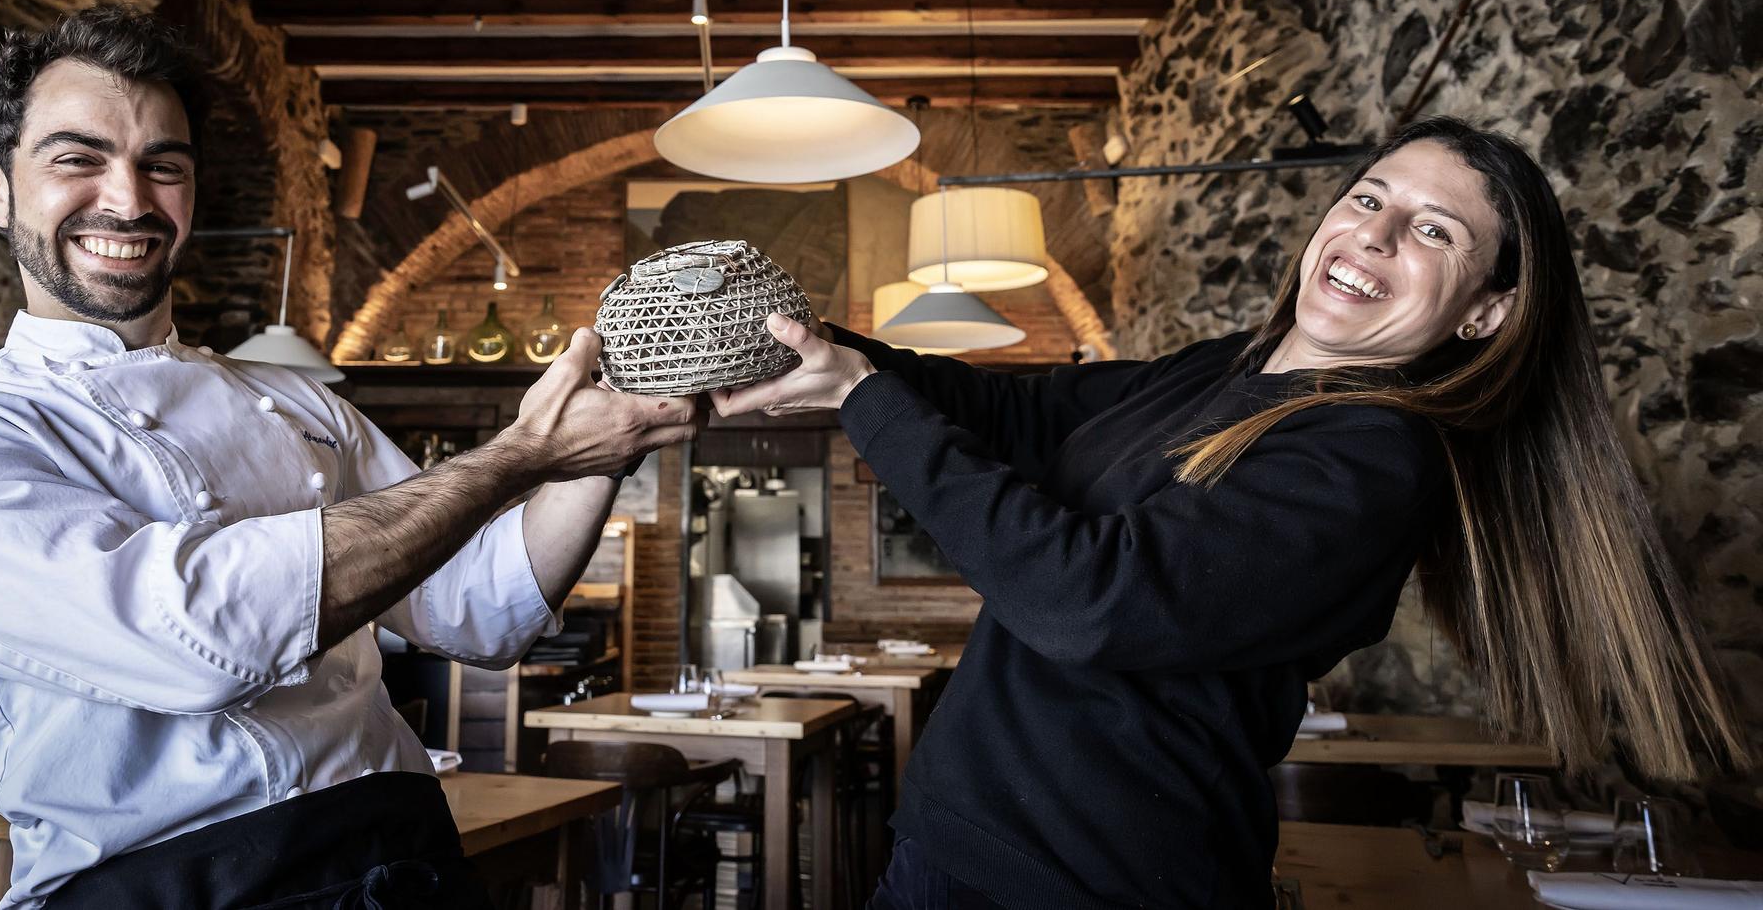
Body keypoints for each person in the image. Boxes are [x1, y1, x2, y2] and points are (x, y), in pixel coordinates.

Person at [715, 116, 1750, 909]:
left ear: (1483, 312)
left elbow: (1090, 600)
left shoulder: (1373, 455)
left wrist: (861, 399)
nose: (1373, 233)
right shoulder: (1227, 369)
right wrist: (809, 347)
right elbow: (1010, 409)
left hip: (1095, 878)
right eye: (1366, 197)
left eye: (1431, 230)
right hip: (952, 841)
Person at [0, 4, 701, 910]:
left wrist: (609, 444)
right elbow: (198, 639)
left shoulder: (297, 400)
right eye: (77, 158)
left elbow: (483, 611)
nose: (128, 199)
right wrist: (520, 455)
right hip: (168, 888)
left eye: (161, 165)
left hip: (402, 856)